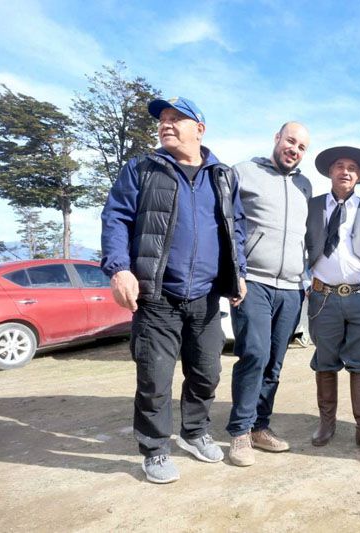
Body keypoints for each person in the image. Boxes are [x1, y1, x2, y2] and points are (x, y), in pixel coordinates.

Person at [100, 96, 247, 484]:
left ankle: (195, 432)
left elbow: (238, 229)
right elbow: (116, 217)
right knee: (155, 377)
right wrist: (119, 269)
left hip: (206, 298)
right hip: (158, 296)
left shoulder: (223, 175)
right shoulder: (142, 169)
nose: (166, 124)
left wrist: (240, 272)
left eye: (176, 118)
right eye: (162, 119)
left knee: (207, 372)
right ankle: (155, 449)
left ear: (200, 128)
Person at [226, 122, 312, 466]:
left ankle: (261, 427)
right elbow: (225, 224)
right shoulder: (243, 172)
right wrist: (234, 274)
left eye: (302, 146)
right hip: (254, 283)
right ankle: (240, 433)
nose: (295, 149)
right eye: (290, 141)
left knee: (274, 364)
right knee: (254, 356)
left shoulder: (305, 184)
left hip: (291, 288)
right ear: (277, 139)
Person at [305, 146, 360, 458]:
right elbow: (299, 246)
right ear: (330, 171)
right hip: (323, 297)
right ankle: (326, 423)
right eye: (339, 166)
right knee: (325, 361)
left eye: (352, 168)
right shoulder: (312, 206)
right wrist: (305, 282)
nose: (345, 171)